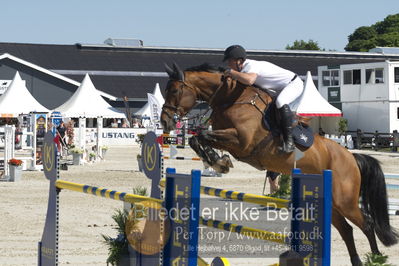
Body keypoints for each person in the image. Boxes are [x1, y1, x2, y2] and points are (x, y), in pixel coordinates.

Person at [223, 45, 304, 153]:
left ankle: (289, 142)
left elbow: (250, 80)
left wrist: (232, 73)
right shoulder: (243, 70)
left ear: (239, 61)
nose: (228, 64)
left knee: (281, 102)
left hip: (293, 84)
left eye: (230, 60)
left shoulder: (250, 65)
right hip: (277, 89)